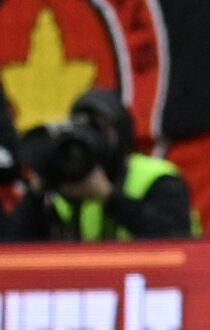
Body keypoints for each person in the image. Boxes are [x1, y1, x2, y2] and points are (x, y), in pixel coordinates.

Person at [5, 91, 196, 242]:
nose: (93, 137)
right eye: (83, 126)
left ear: (121, 133)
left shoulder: (156, 178)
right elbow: (13, 251)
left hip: (147, 284)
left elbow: (174, 236)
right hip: (90, 287)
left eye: (100, 129)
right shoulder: (64, 182)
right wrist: (36, 192)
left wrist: (109, 197)